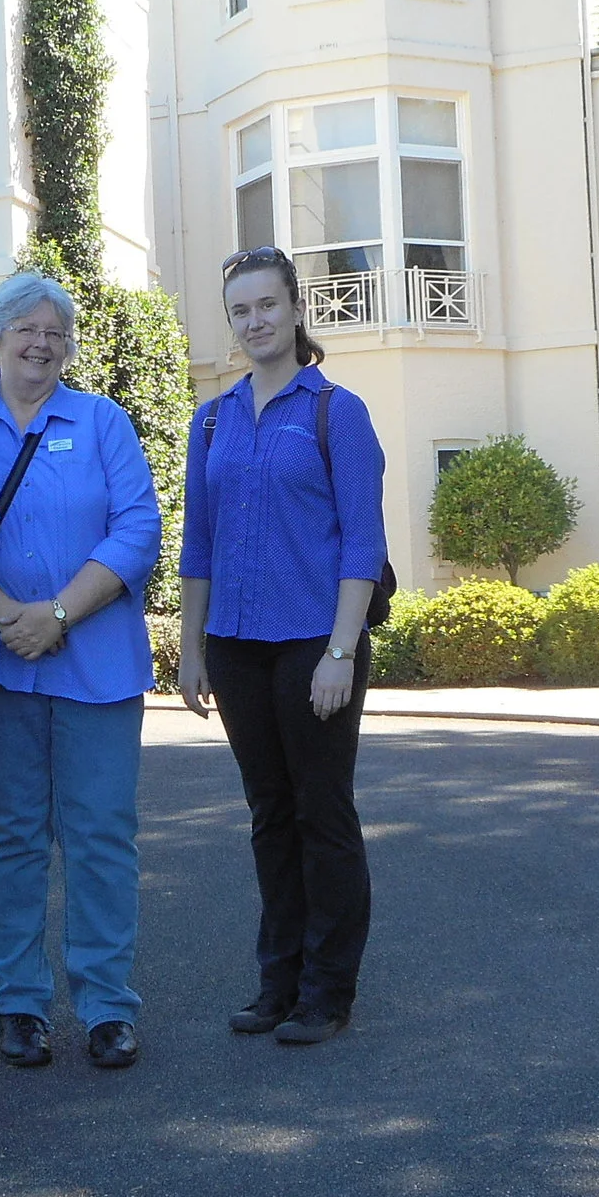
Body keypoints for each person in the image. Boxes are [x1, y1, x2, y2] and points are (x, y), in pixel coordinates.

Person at [177, 245, 388, 1046]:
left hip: (314, 643)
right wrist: (193, 651)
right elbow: (200, 542)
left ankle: (328, 990)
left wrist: (340, 650)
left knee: (322, 812)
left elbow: (362, 543)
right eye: (240, 310)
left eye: (267, 304)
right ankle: (279, 981)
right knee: (269, 814)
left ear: (297, 309)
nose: (254, 321)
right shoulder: (213, 419)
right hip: (235, 644)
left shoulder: (337, 410)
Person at [0, 271, 162, 1072]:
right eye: (26, 329)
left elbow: (138, 525)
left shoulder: (103, 421)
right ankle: (19, 1004)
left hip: (97, 663)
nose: (42, 343)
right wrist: (9, 617)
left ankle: (107, 1005)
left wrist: (60, 614)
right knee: (7, 837)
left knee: (102, 835)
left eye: (56, 333)